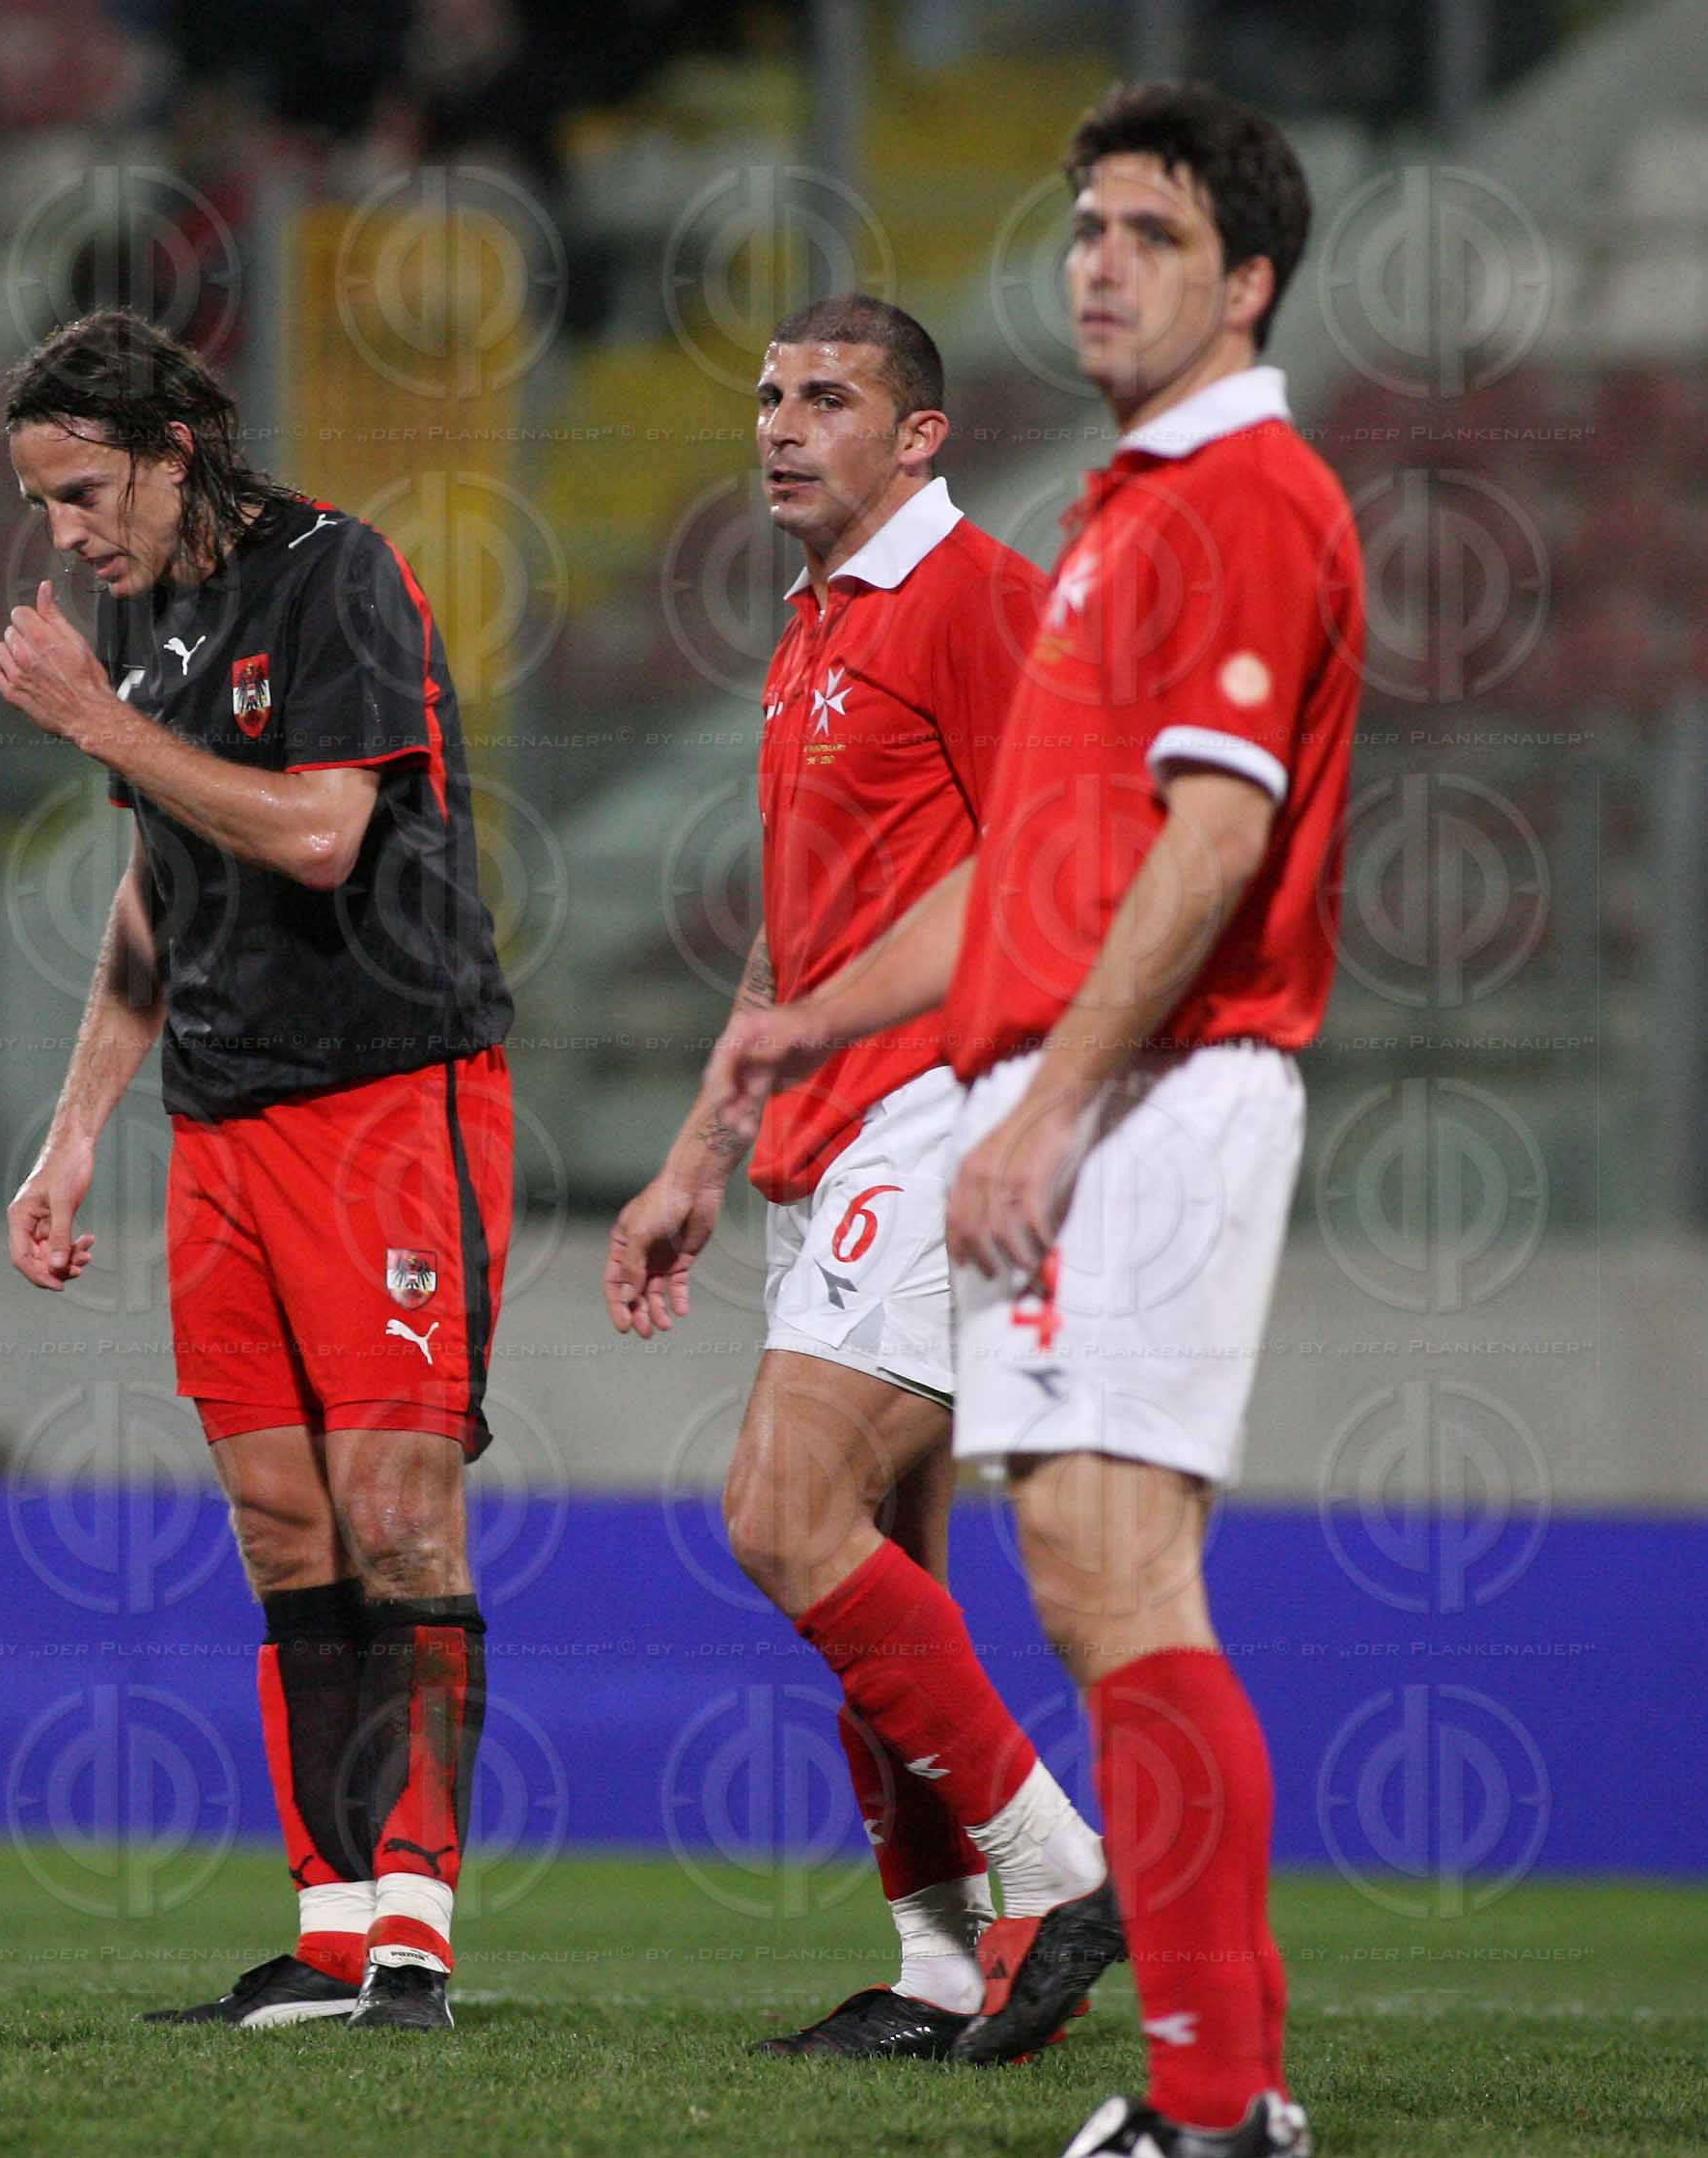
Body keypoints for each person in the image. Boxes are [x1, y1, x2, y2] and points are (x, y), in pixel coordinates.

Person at [710, 84, 1362, 2158]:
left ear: (1246, 282)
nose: (1099, 261)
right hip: (1062, 1083)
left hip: (1156, 1088)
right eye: (1087, 226)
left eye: (1152, 234)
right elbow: (1024, 879)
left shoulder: (1241, 498)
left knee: (1112, 1576)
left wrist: (1044, 1100)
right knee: (1094, 1572)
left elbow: (1217, 832)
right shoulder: (1126, 511)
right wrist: (808, 1016)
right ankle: (1210, 2087)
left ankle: (1208, 2091)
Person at [605, 293, 1123, 2061]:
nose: (777, 423)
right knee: (875, 1552)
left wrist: (1038, 1123)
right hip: (827, 1136)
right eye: (764, 395)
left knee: (777, 1511)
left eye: (825, 397)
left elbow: (1059, 872)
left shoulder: (981, 601)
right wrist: (694, 1160)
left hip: (941, 1111)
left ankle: (1053, 1868)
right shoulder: (814, 626)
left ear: (920, 436)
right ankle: (931, 1970)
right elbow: (794, 936)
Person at [0, 310, 513, 2034]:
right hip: (217, 1122)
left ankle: (421, 1942)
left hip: (384, 1097)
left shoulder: (336, 577)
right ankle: (335, 1929)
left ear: (171, 447)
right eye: (46, 506)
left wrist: (97, 724)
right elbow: (160, 890)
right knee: (284, 1531)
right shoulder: (140, 625)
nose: (69, 536)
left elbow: (316, 830)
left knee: (392, 1509)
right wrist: (74, 1135)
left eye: (82, 493)